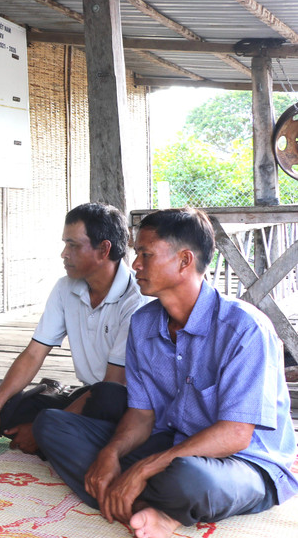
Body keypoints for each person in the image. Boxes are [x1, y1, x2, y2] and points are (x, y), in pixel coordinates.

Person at [33, 208, 298, 538]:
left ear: (184, 261)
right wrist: (111, 454)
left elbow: (235, 434)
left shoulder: (244, 328)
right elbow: (142, 415)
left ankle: (149, 500)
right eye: (137, 254)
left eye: (146, 254)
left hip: (244, 462)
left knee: (188, 479)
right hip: (174, 447)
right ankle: (150, 507)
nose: (135, 265)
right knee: (52, 425)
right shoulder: (144, 325)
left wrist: (144, 468)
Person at [0, 202, 145, 457]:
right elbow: (34, 353)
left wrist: (40, 429)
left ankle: (50, 435)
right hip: (84, 396)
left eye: (73, 245)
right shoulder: (66, 287)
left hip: (121, 403)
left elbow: (114, 383)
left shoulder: (136, 301)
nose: (64, 254)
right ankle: (55, 437)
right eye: (65, 244)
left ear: (103, 249)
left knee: (107, 397)